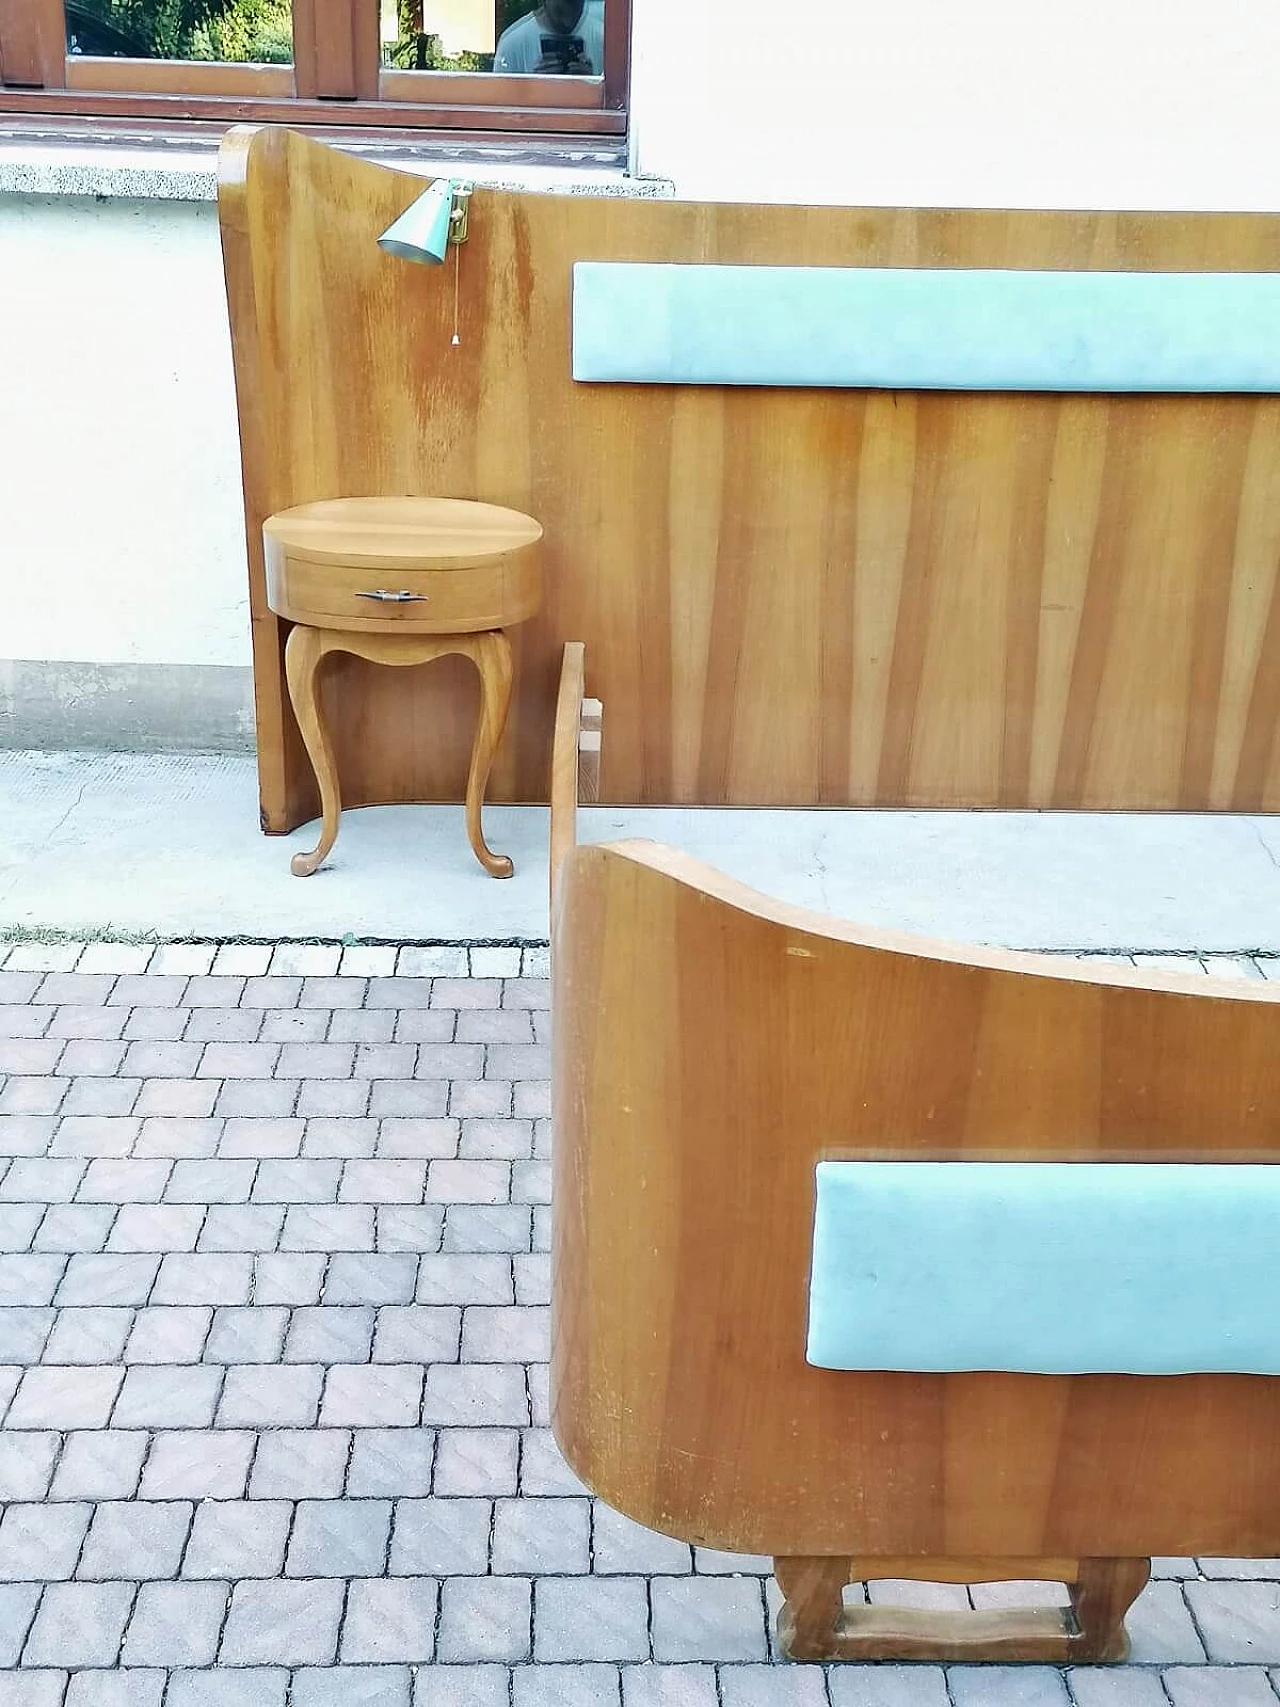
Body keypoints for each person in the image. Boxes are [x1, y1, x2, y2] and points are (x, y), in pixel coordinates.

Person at [493, 0, 604, 74]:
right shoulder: (512, 44)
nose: (569, 17)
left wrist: (592, 85)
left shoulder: (605, 40)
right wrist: (535, 86)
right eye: (562, 5)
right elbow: (501, 104)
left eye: (573, 3)